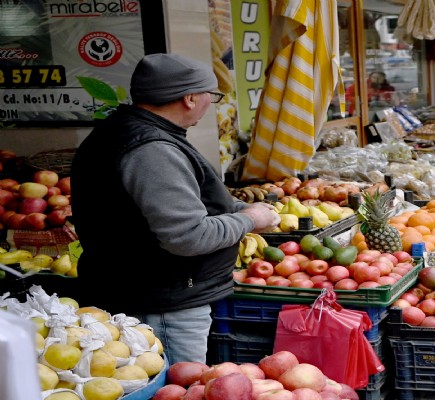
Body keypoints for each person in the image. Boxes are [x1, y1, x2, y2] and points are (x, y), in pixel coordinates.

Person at [71, 53, 280, 364]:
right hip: (162, 302)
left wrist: (234, 207)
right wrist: (249, 219)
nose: (213, 103)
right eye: (213, 95)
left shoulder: (133, 132)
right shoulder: (151, 149)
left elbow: (180, 204)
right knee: (178, 387)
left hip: (151, 293)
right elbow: (188, 236)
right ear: (190, 98)